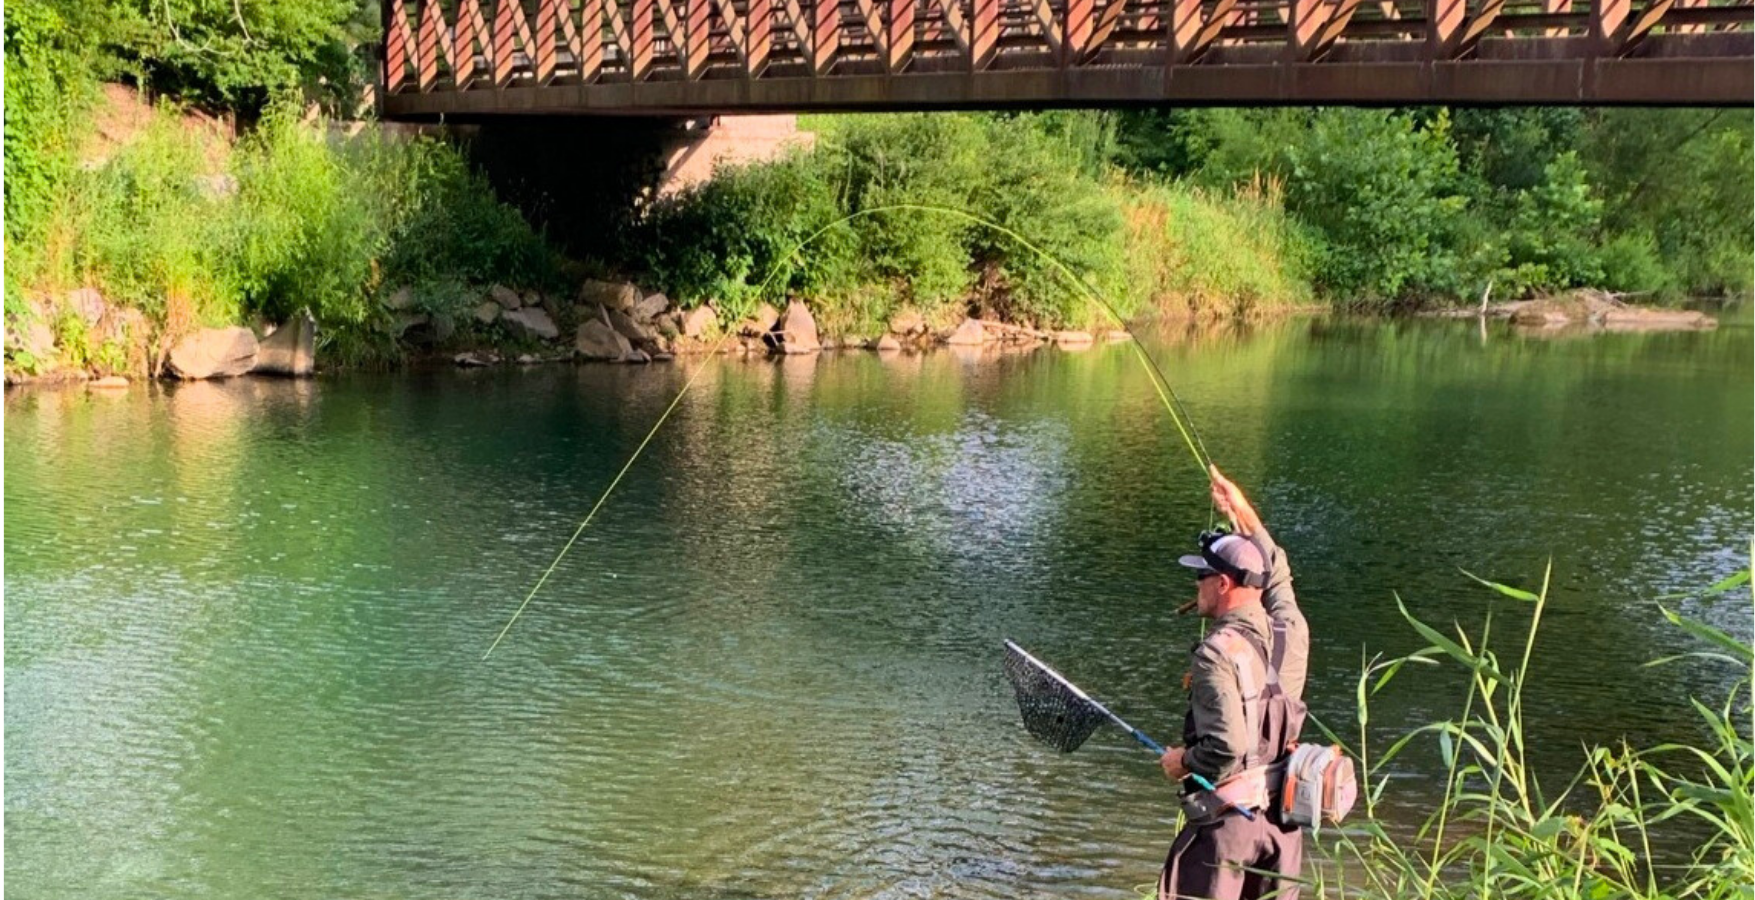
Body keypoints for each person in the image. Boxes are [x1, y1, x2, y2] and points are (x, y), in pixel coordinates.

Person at [1156, 465, 1309, 900]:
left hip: (1229, 831)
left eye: (1199, 576)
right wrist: (1244, 513)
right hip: (1283, 828)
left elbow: (1226, 747)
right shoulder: (1292, 630)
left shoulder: (1214, 654)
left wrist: (1181, 761)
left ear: (1222, 584)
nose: (1195, 585)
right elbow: (1275, 572)